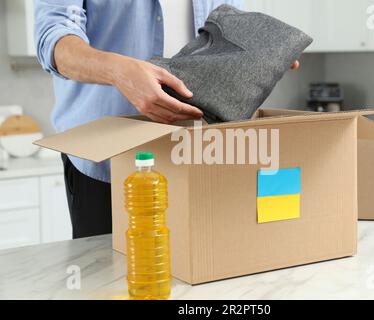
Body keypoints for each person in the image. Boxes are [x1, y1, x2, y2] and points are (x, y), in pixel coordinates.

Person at [34, 0, 300, 239]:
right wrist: (119, 71)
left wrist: (263, 49)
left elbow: (231, 23)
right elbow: (54, 39)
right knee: (109, 281)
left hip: (201, 153)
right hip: (107, 159)